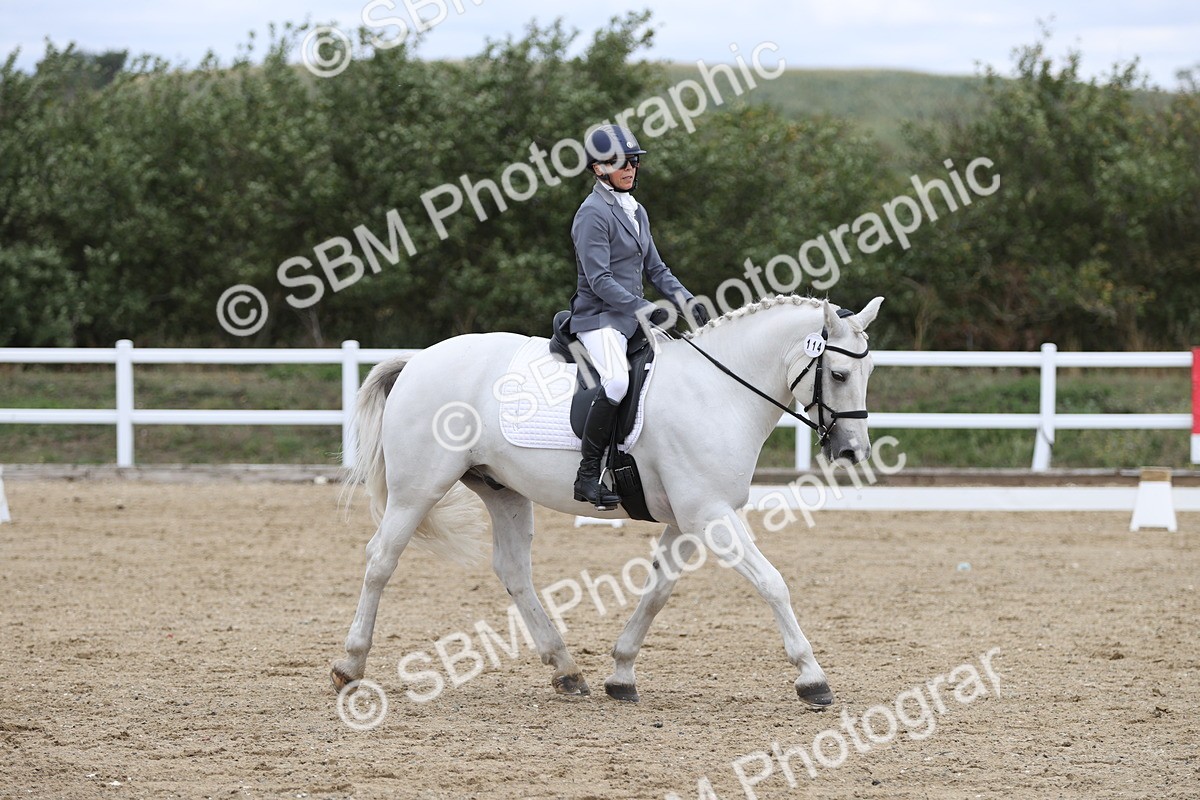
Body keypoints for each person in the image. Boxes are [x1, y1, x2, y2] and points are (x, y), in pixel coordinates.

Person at [568, 123, 710, 510]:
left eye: (634, 161)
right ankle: (588, 475)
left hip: (631, 321)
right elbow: (600, 280)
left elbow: (657, 268)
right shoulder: (592, 214)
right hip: (599, 320)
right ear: (599, 169)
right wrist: (643, 308)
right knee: (615, 382)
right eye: (621, 162)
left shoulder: (636, 211)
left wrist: (684, 298)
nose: (630, 168)